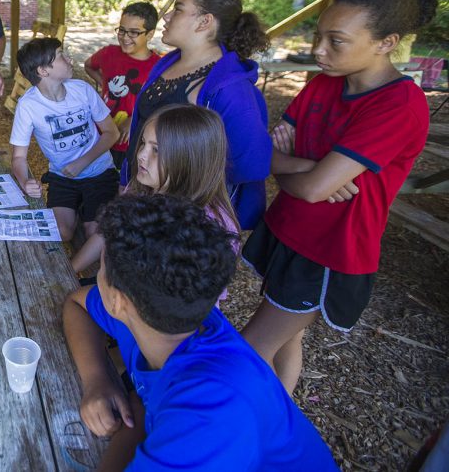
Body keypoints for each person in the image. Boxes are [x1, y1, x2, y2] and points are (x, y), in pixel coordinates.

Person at [241, 0, 434, 395]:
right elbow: (265, 156)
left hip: (329, 249)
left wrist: (297, 175)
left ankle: (241, 440)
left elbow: (310, 189)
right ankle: (280, 421)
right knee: (284, 339)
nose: (319, 51)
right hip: (287, 229)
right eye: (318, 37)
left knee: (247, 350)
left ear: (387, 43)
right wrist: (309, 170)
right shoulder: (326, 82)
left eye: (336, 41)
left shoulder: (399, 104)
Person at [63, 195, 338, 470]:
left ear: (117, 302)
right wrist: (98, 379)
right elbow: (77, 304)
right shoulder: (175, 312)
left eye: (101, 266)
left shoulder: (210, 412)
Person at [121, 0, 271, 230]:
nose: (167, 16)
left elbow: (249, 164)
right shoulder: (168, 64)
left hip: (182, 216)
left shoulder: (230, 88)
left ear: (204, 21)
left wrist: (193, 199)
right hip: (145, 191)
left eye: (178, 9)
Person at [71, 104, 240, 278]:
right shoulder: (139, 190)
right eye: (143, 143)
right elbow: (107, 233)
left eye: (156, 149)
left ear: (189, 159)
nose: (141, 154)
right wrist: (71, 269)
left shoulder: (211, 227)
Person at [10, 37, 118, 242]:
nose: (69, 58)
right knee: (62, 232)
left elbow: (112, 133)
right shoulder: (28, 105)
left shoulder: (83, 89)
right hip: (63, 177)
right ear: (43, 70)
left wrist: (82, 162)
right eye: (61, 55)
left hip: (100, 173)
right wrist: (25, 181)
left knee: (95, 234)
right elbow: (18, 157)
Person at [84, 2, 161, 168]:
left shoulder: (158, 67)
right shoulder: (109, 53)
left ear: (150, 34)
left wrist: (134, 118)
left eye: (134, 32)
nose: (125, 37)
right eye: (122, 30)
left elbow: (160, 104)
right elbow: (88, 65)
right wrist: (104, 83)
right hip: (101, 135)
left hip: (131, 140)